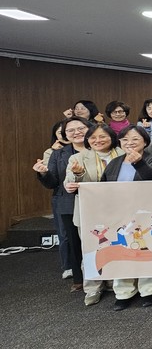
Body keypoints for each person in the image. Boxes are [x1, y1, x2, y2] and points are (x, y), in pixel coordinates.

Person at [101, 125, 152, 311]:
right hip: (119, 213)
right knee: (121, 250)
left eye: (135, 139)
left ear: (145, 142)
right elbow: (103, 187)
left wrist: (139, 163)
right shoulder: (115, 162)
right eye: (125, 140)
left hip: (145, 213)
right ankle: (124, 292)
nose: (129, 143)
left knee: (145, 249)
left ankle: (150, 289)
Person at [64, 124, 123, 305]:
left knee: (117, 247)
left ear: (112, 137)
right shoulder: (78, 158)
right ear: (88, 140)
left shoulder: (123, 154)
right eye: (93, 137)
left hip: (119, 211)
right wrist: (77, 175)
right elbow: (69, 182)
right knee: (91, 251)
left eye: (102, 136)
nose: (98, 140)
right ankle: (92, 287)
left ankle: (115, 282)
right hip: (89, 212)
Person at [33, 117, 92, 286]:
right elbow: (52, 183)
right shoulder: (58, 154)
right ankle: (78, 279)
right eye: (71, 130)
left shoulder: (97, 149)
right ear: (65, 134)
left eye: (81, 128)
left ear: (89, 128)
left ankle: (102, 277)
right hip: (67, 202)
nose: (76, 132)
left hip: (95, 201)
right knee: (73, 241)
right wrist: (43, 173)